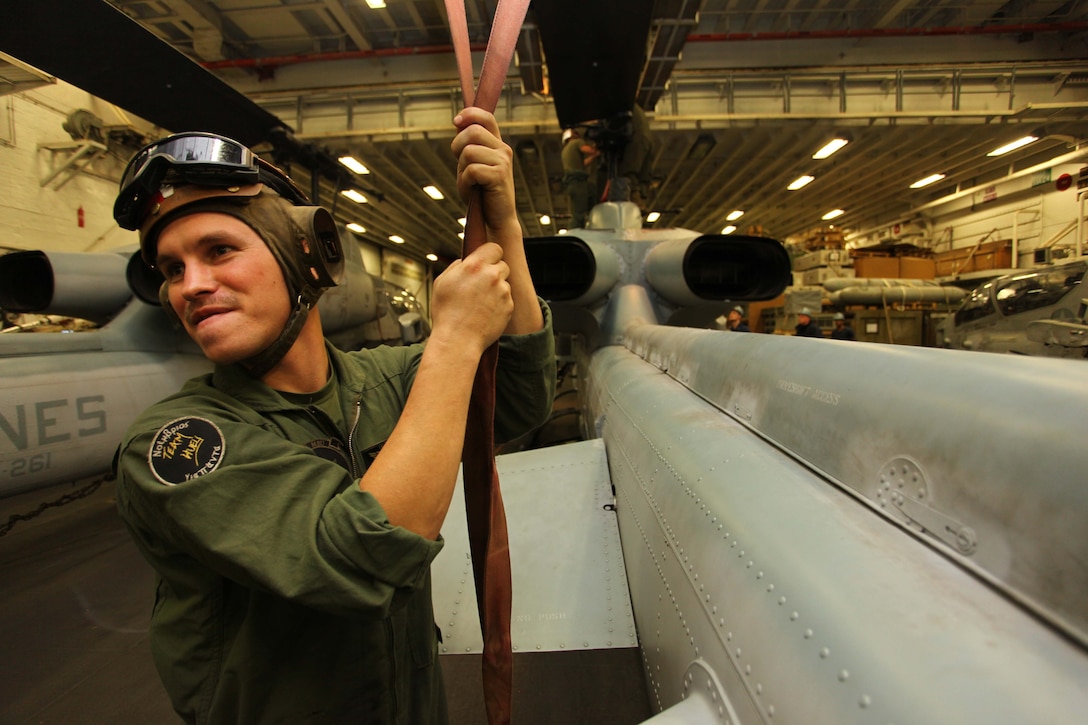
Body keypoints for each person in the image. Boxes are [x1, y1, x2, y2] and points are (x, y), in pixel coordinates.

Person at [111, 108, 556, 723]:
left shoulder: (381, 380)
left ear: (307, 258)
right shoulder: (176, 443)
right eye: (172, 269)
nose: (190, 285)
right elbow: (356, 559)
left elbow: (518, 397)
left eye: (219, 251)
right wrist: (452, 340)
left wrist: (504, 220)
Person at [561, 127, 600, 228]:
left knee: (582, 205)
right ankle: (575, 233)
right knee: (579, 214)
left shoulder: (565, 150)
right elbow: (586, 150)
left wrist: (594, 155)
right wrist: (596, 149)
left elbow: (582, 164)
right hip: (578, 182)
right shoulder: (576, 142)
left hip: (571, 184)